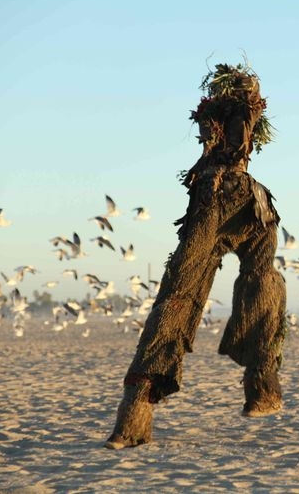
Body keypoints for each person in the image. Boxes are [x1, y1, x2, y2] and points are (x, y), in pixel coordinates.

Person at [105, 63, 287, 450]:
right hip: (232, 203)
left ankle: (261, 387)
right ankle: (261, 386)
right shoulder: (233, 113)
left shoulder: (226, 116)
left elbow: (232, 135)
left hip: (235, 205)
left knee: (193, 295)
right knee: (190, 296)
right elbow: (235, 133)